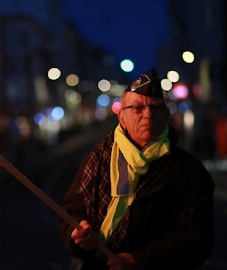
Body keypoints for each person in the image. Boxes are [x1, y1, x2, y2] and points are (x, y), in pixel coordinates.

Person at [58, 68, 215, 270]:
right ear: (122, 117)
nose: (148, 114)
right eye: (138, 108)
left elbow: (197, 239)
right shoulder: (98, 159)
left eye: (156, 108)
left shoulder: (188, 171)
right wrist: (77, 231)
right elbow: (71, 211)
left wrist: (138, 261)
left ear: (166, 115)